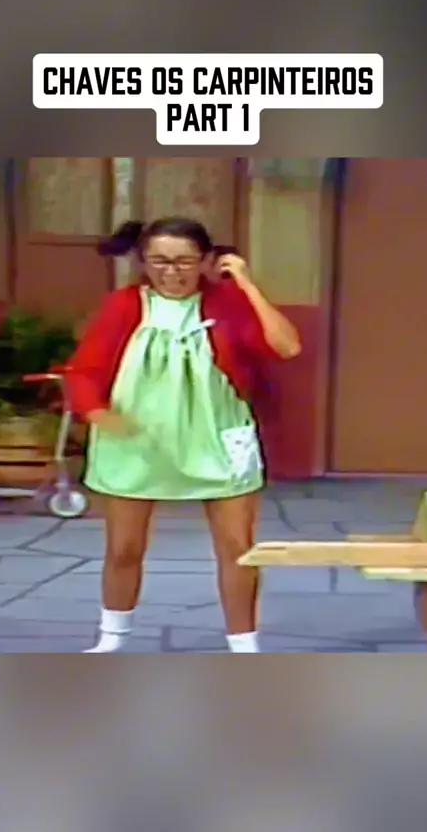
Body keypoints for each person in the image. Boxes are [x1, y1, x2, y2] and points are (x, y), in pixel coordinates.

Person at [67, 217, 301, 653]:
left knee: (237, 548)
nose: (171, 272)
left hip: (218, 436)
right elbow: (83, 371)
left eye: (184, 262)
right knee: (123, 548)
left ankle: (244, 647)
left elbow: (286, 346)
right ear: (142, 261)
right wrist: (96, 412)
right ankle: (111, 639)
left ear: (208, 261)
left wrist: (246, 284)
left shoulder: (226, 303)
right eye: (159, 261)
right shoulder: (124, 305)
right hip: (137, 439)